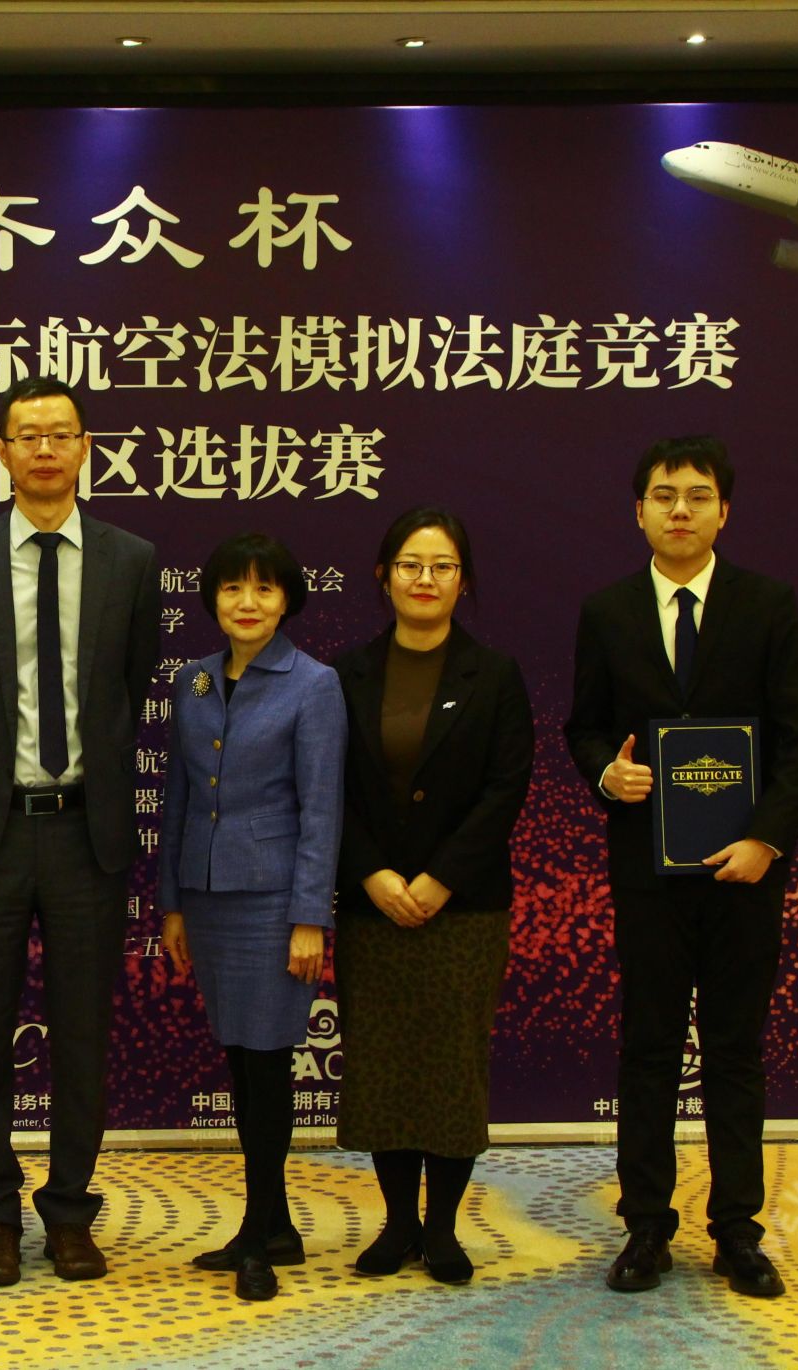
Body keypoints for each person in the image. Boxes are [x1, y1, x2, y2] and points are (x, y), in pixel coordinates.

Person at [563, 435, 798, 1300]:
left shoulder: (768, 605)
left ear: (724, 511)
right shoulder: (608, 612)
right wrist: (608, 776)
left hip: (743, 874)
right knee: (648, 1049)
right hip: (648, 873)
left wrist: (766, 840)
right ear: (638, 511)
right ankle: (646, 1227)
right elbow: (585, 728)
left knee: (734, 1052)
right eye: (665, 495)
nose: (681, 509)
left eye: (698, 495)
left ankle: (738, 1231)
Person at [0, 377, 162, 1286]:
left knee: (82, 1038)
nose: (46, 449)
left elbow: (130, 688)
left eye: (62, 433)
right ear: (2, 453)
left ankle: (68, 1214)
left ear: (86, 448)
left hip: (86, 833)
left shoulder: (131, 559)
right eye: (28, 435)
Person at [333, 507, 533, 1285]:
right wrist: (372, 873)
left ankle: (443, 1228)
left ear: (463, 580)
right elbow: (328, 788)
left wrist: (440, 877)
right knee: (383, 1065)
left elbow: (504, 789)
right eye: (411, 565)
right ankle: (398, 1224)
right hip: (372, 903)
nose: (425, 579)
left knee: (452, 1066)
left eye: (442, 566)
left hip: (465, 906)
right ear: (383, 576)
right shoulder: (344, 675)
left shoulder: (496, 675)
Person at [156, 533, 345, 1302]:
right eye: (233, 588)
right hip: (207, 898)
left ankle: (257, 1236)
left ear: (287, 600)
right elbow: (177, 796)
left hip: (274, 904)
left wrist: (309, 917)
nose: (247, 602)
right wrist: (172, 902)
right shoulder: (192, 680)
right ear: (213, 599)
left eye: (264, 589)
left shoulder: (314, 684)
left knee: (267, 1066)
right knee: (240, 1059)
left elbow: (321, 809)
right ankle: (279, 1226)